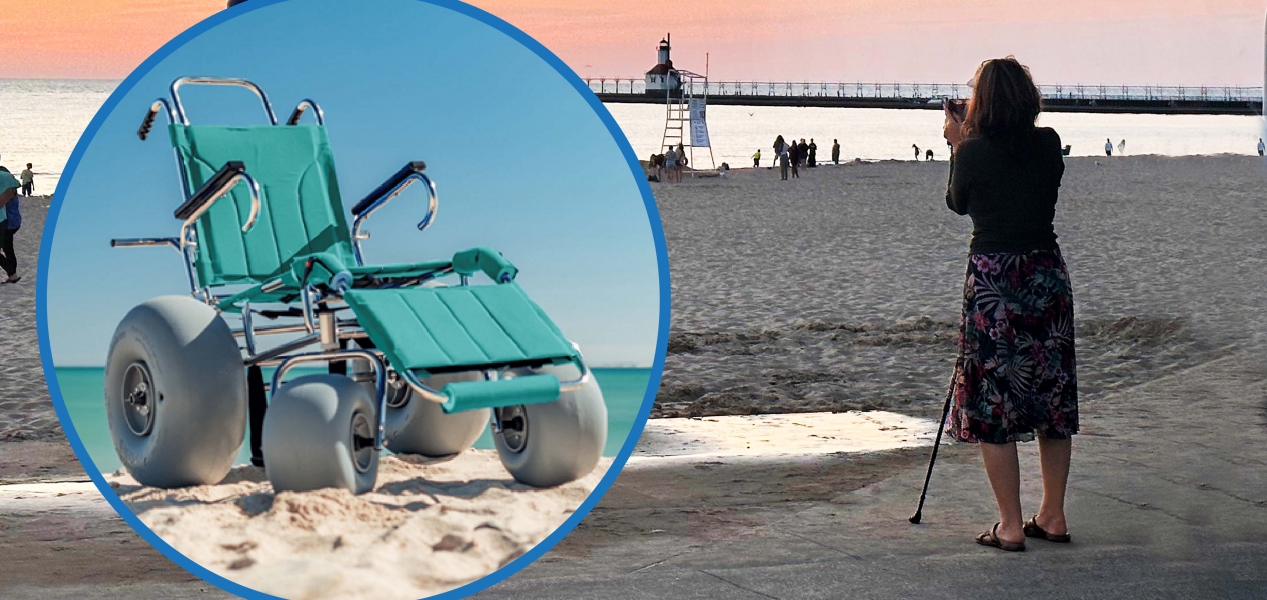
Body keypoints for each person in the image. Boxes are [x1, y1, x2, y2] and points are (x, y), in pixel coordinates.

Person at [942, 56, 1076, 553]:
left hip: (995, 277)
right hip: (1044, 273)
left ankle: (1011, 524)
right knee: (1051, 396)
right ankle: (1054, 515)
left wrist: (959, 143)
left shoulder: (973, 152)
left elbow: (957, 203)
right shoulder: (1048, 143)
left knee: (993, 399)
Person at [0, 169, 21, 283]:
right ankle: (13, 274)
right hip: (13, 223)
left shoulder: (9, 193)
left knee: (7, 248)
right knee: (8, 249)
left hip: (8, 223)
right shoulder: (12, 191)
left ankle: (12, 273)